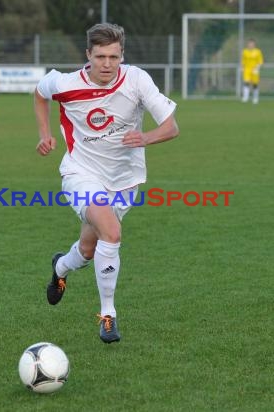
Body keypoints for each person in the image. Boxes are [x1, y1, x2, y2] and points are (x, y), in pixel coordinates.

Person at [34, 23, 179, 343]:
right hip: (81, 173)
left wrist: (146, 137)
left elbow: (171, 128)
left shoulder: (137, 79)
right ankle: (108, 315)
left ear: (122, 55)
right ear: (88, 55)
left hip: (125, 182)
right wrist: (45, 134)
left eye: (114, 56)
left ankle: (60, 269)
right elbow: (40, 93)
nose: (107, 64)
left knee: (88, 249)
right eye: (100, 56)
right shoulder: (66, 83)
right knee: (111, 232)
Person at [241, 39, 264, 104]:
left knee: (255, 84)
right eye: (249, 44)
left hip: (254, 69)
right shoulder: (245, 51)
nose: (250, 45)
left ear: (254, 45)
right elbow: (243, 60)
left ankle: (255, 98)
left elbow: (260, 61)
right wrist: (242, 67)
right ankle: (245, 97)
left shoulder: (258, 51)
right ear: (247, 44)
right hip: (247, 69)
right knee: (246, 82)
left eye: (252, 44)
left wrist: (257, 68)